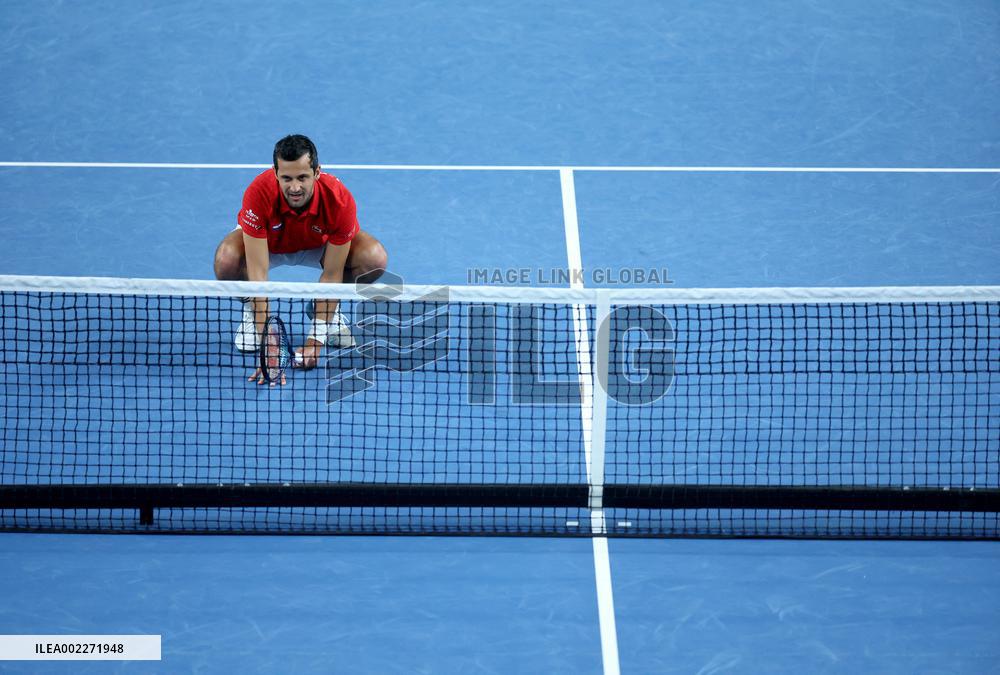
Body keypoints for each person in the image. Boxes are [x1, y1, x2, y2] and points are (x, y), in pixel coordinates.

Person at [213, 134, 388, 384]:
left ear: (317, 172)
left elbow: (332, 272)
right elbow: (258, 271)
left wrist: (315, 339)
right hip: (268, 246)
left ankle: (325, 310)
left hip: (317, 246)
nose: (294, 187)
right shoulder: (258, 192)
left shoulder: (339, 199)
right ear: (275, 174)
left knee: (373, 258)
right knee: (227, 259)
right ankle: (252, 313)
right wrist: (268, 344)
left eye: (302, 177)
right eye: (286, 178)